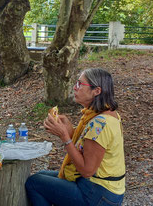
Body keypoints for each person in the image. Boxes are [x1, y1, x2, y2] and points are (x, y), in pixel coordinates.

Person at [25, 68, 126, 205]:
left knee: (34, 183)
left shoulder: (100, 123)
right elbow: (88, 147)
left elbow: (87, 170)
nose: (75, 87)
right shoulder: (104, 114)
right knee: (41, 175)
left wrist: (65, 137)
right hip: (103, 188)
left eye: (80, 84)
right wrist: (71, 131)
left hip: (100, 193)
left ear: (96, 91)